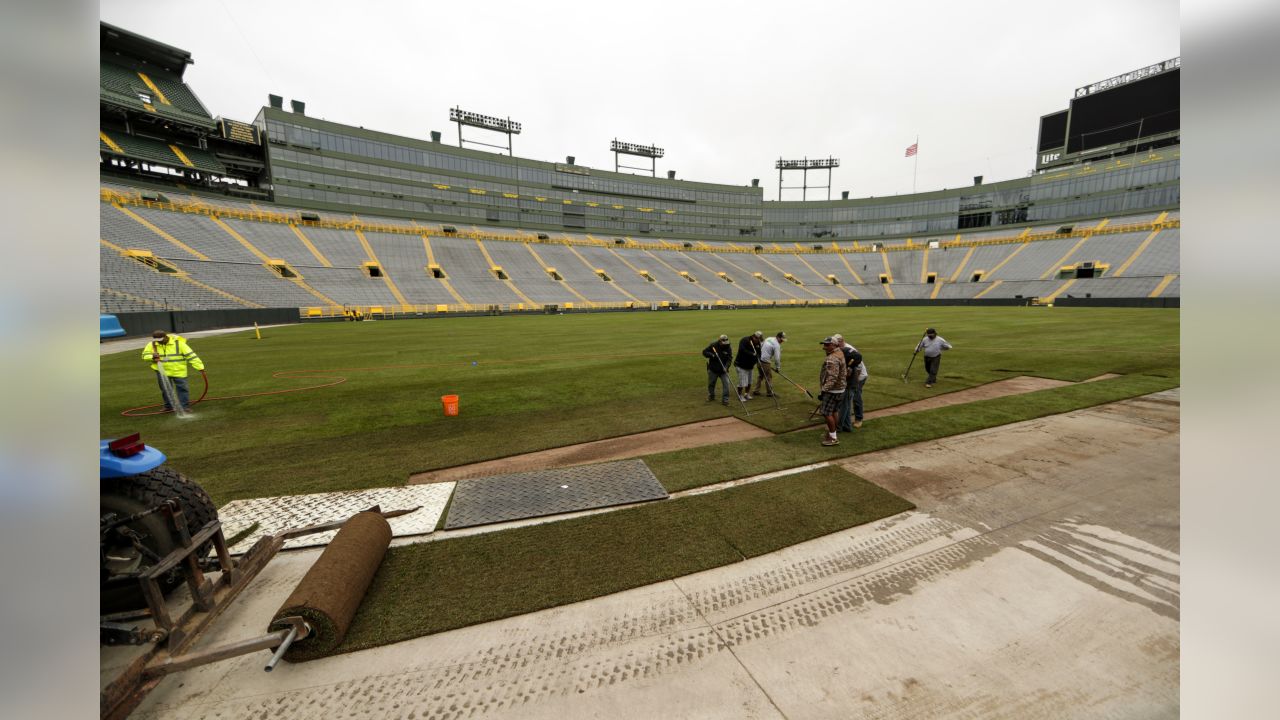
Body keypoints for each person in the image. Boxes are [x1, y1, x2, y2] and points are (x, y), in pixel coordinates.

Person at [142, 329, 205, 411]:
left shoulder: (179, 344)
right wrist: (152, 357)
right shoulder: (152, 344)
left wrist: (199, 367)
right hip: (162, 371)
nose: (159, 342)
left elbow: (191, 356)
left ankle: (184, 407)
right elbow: (144, 356)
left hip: (179, 371)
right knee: (166, 389)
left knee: (182, 389)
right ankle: (169, 406)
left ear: (165, 337)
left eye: (160, 340)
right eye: (157, 340)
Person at [832, 334, 867, 431]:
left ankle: (858, 419)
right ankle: (847, 425)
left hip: (859, 377)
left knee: (855, 398)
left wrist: (852, 380)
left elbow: (858, 367)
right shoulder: (841, 350)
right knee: (846, 402)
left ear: (841, 341)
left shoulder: (848, 350)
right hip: (851, 379)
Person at [817, 337, 847, 446]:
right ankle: (832, 433)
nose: (824, 347)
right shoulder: (840, 353)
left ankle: (833, 438)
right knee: (834, 411)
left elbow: (832, 378)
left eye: (827, 345)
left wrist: (823, 391)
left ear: (834, 345)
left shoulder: (832, 359)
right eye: (824, 344)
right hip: (841, 389)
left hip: (832, 391)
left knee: (826, 412)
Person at [702, 334, 734, 406]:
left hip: (723, 370)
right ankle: (711, 396)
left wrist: (726, 367)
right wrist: (712, 355)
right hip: (713, 369)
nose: (725, 345)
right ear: (719, 341)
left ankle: (725, 400)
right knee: (711, 384)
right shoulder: (713, 345)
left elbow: (730, 359)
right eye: (723, 343)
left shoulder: (728, 347)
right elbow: (704, 352)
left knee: (726, 384)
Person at [753, 331, 786, 397]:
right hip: (765, 362)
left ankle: (756, 390)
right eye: (781, 340)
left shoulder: (769, 338)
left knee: (761, 375)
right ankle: (769, 392)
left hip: (759, 359)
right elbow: (777, 358)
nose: (782, 341)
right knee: (768, 377)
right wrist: (778, 368)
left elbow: (761, 344)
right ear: (778, 337)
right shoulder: (776, 345)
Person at [734, 331, 763, 401]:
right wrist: (752, 354)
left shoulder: (757, 343)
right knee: (742, 382)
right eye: (758, 339)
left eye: (760, 340)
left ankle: (746, 394)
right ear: (754, 337)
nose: (758, 341)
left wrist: (758, 359)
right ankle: (740, 395)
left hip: (750, 365)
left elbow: (759, 352)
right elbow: (742, 349)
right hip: (741, 365)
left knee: (749, 381)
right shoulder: (745, 340)